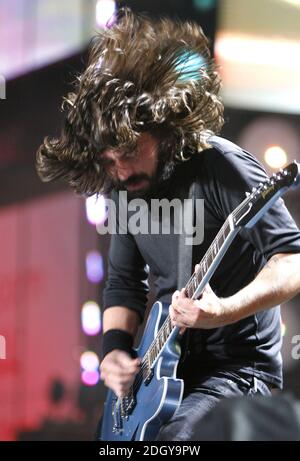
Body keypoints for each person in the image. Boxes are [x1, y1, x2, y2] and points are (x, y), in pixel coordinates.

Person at [36, 9, 300, 441]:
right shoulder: (124, 184)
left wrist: (225, 311)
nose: (119, 171)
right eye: (108, 160)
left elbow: (292, 260)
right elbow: (123, 281)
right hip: (159, 375)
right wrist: (115, 352)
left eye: (129, 151)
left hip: (236, 373)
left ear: (163, 127)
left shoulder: (224, 168)